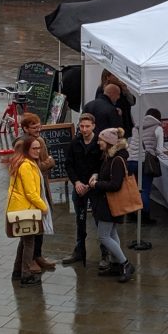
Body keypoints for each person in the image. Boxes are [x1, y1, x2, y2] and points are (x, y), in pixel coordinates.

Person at [88, 127, 136, 283]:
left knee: (103, 236)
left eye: (101, 140)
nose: (98, 143)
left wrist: (97, 184)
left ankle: (125, 263)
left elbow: (115, 185)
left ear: (108, 142)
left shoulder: (116, 160)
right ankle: (116, 264)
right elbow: (105, 175)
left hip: (109, 203)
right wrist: (96, 175)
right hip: (107, 202)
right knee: (112, 233)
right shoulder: (110, 156)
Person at [6, 137, 51, 287]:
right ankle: (26, 275)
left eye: (39, 148)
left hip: (20, 208)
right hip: (26, 209)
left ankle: (17, 272)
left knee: (24, 241)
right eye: (34, 148)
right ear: (26, 149)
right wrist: (44, 207)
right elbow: (31, 193)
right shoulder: (26, 166)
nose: (38, 151)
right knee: (29, 242)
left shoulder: (23, 162)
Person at [17, 114, 57, 271]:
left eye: (39, 125)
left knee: (40, 227)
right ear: (25, 129)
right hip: (32, 192)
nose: (38, 129)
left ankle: (38, 256)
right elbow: (30, 168)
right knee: (31, 231)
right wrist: (50, 163)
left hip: (42, 187)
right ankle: (30, 261)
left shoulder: (38, 140)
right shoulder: (22, 144)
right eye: (34, 127)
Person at [62, 113, 102, 266]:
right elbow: (69, 164)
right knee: (80, 219)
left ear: (93, 126)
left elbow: (102, 163)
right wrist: (76, 182)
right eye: (82, 126)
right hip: (79, 186)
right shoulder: (75, 142)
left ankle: (105, 253)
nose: (84, 129)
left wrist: (95, 176)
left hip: (94, 187)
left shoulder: (100, 142)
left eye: (87, 126)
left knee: (100, 219)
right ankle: (79, 250)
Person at [127, 107, 164, 225]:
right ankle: (144, 217)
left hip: (131, 160)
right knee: (145, 190)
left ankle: (131, 215)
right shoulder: (158, 128)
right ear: (158, 118)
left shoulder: (136, 126)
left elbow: (131, 143)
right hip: (144, 162)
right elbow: (159, 150)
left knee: (133, 189)